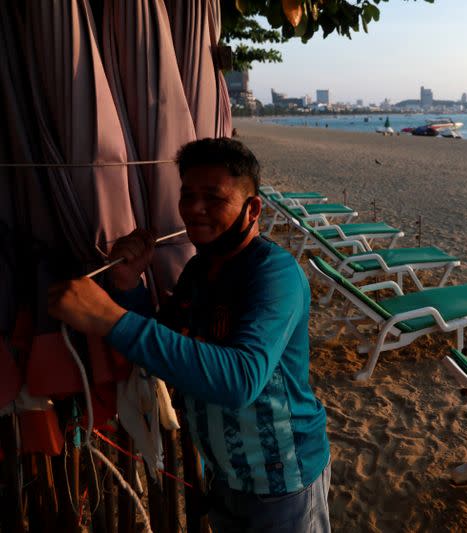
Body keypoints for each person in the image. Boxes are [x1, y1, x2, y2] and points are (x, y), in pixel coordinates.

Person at [48, 137, 331, 532]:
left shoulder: (274, 274)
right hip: (224, 475)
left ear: (252, 210)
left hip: (282, 480)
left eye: (213, 198)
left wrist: (109, 318)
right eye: (187, 195)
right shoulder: (200, 270)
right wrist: (129, 285)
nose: (195, 210)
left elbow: (241, 380)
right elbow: (167, 342)